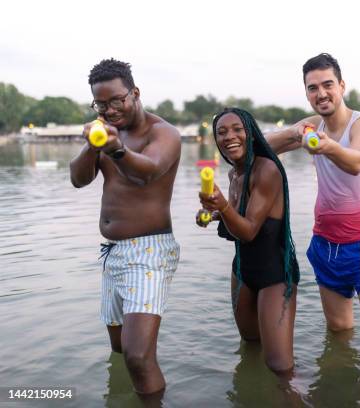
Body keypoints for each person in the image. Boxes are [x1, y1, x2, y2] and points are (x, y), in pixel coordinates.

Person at [265, 53, 360, 358]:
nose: (321, 93)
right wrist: (293, 133)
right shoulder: (313, 126)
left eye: (328, 84)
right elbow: (263, 146)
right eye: (313, 88)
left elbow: (359, 161)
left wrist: (328, 146)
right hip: (326, 244)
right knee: (338, 329)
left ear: (341, 85)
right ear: (307, 93)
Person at [69, 58, 181, 395]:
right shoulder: (106, 132)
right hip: (112, 254)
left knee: (137, 356)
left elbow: (147, 171)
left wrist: (115, 148)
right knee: (119, 350)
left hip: (149, 251)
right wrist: (93, 144)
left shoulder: (163, 133)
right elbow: (78, 179)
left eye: (116, 100)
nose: (109, 109)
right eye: (100, 104)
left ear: (134, 92)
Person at [197, 107, 299, 373]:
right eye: (221, 132)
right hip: (242, 268)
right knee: (250, 345)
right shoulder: (234, 174)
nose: (229, 136)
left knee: (280, 365)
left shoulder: (267, 170)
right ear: (217, 141)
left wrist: (224, 206)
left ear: (251, 135)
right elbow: (236, 218)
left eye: (237, 129)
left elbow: (250, 230)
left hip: (275, 273)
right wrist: (213, 214)